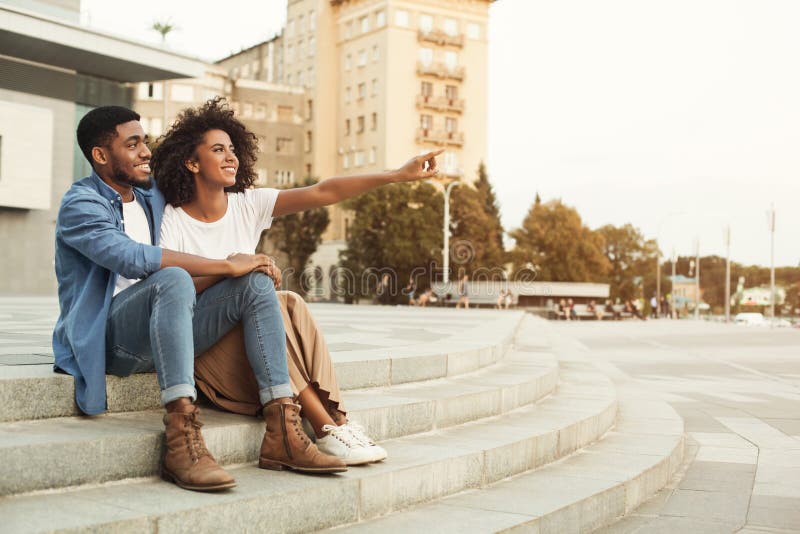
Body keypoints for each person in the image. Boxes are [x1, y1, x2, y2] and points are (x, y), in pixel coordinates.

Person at [153, 98, 442, 469]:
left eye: (232, 149)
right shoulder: (172, 219)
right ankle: (324, 425)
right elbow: (173, 293)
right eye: (217, 149)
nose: (231, 157)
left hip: (252, 336)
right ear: (192, 163)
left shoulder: (247, 205)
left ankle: (337, 420)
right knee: (257, 287)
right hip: (204, 344)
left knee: (287, 301)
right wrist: (230, 268)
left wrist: (396, 176)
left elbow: (325, 192)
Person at [54, 106, 294, 493]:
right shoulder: (81, 205)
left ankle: (283, 427)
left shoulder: (150, 196)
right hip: (110, 340)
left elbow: (201, 176)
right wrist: (224, 264)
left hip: (163, 329)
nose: (146, 152)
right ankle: (182, 437)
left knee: (256, 282)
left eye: (145, 141)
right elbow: (132, 258)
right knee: (173, 279)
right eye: (132, 145)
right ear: (100, 156)